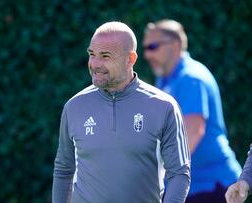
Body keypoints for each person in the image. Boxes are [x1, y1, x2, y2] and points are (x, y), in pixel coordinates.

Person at [52, 21, 190, 203]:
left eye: (105, 56)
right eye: (91, 54)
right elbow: (63, 169)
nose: (94, 63)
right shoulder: (74, 106)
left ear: (130, 59)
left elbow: (179, 173)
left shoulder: (163, 106)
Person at [143, 19, 242, 203]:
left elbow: (192, 133)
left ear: (176, 45)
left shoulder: (191, 78)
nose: (147, 54)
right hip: (191, 188)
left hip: (214, 187)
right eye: (146, 48)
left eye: (153, 46)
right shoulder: (165, 80)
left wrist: (154, 173)